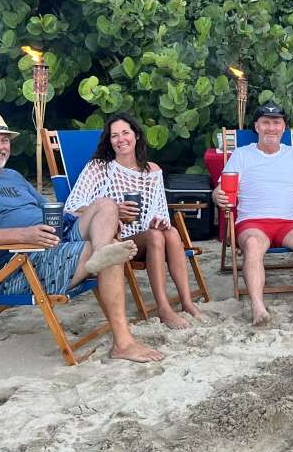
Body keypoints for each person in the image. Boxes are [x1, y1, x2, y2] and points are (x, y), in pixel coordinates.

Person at [0, 113, 161, 362]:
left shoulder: (13, 176)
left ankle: (100, 250)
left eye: (4, 140)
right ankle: (123, 343)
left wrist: (101, 217)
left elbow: (53, 212)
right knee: (112, 250)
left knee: (106, 204)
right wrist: (24, 234)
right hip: (18, 264)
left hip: (52, 241)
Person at [65, 113, 203, 331]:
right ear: (109, 141)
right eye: (114, 135)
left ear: (136, 135)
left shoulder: (153, 171)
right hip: (115, 240)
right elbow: (72, 206)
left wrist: (159, 221)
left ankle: (186, 302)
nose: (120, 139)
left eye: (125, 133)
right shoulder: (99, 167)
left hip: (144, 236)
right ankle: (164, 308)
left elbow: (160, 211)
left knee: (171, 232)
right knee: (156, 236)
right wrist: (113, 211)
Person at [212, 101, 293, 328]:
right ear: (256, 126)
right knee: (253, 244)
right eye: (266, 122)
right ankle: (258, 308)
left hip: (287, 224)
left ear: (284, 127)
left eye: (276, 123)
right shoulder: (242, 155)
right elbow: (222, 188)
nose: (271, 128)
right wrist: (217, 195)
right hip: (252, 223)